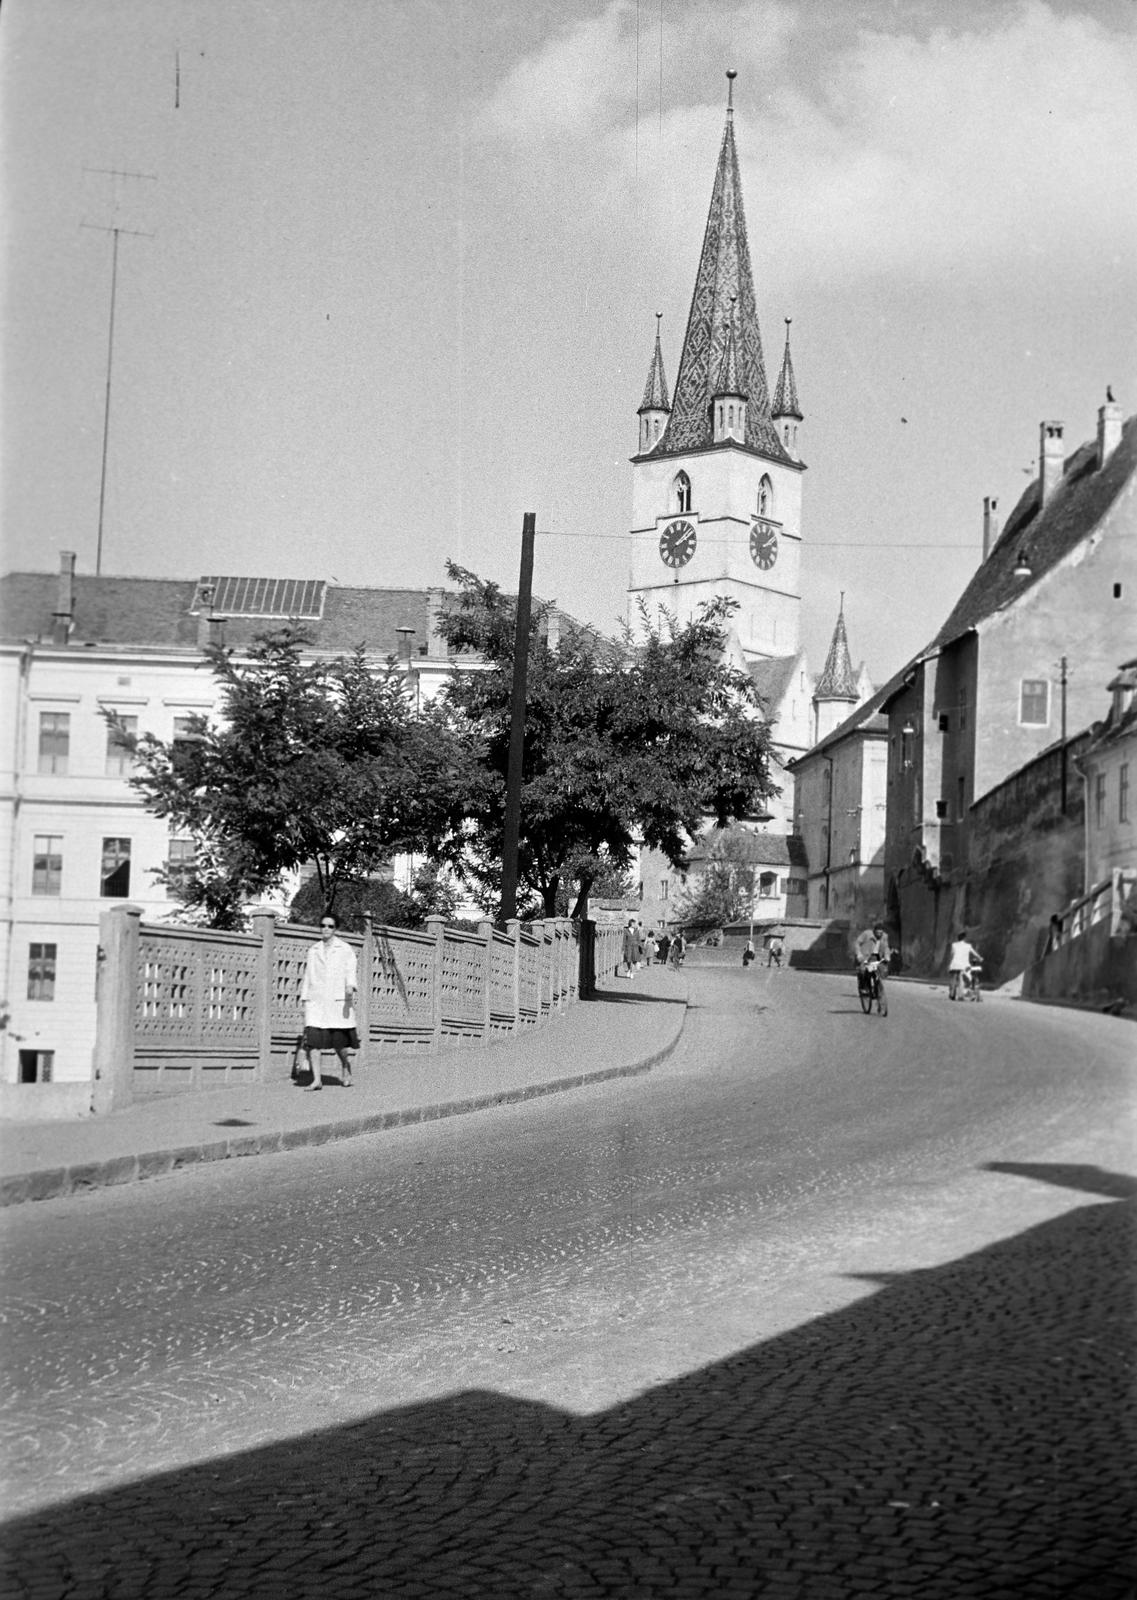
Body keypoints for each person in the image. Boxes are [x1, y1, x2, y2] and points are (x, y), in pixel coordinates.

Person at [301, 914, 359, 1090]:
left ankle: (345, 1065)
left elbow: (351, 969)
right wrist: (305, 998)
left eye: (330, 926)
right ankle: (317, 1080)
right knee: (313, 1042)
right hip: (316, 1001)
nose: (326, 929)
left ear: (335, 929)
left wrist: (350, 985)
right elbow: (308, 975)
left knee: (339, 1044)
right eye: (323, 925)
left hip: (337, 1002)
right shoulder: (313, 950)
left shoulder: (345, 948)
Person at [948, 931, 982, 1000]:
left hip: (954, 964)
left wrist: (949, 964)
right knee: (963, 978)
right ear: (964, 939)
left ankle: (952, 992)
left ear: (958, 939)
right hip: (964, 966)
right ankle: (963, 993)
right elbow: (975, 954)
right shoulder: (968, 946)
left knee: (953, 978)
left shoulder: (954, 945)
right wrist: (980, 958)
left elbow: (952, 955)